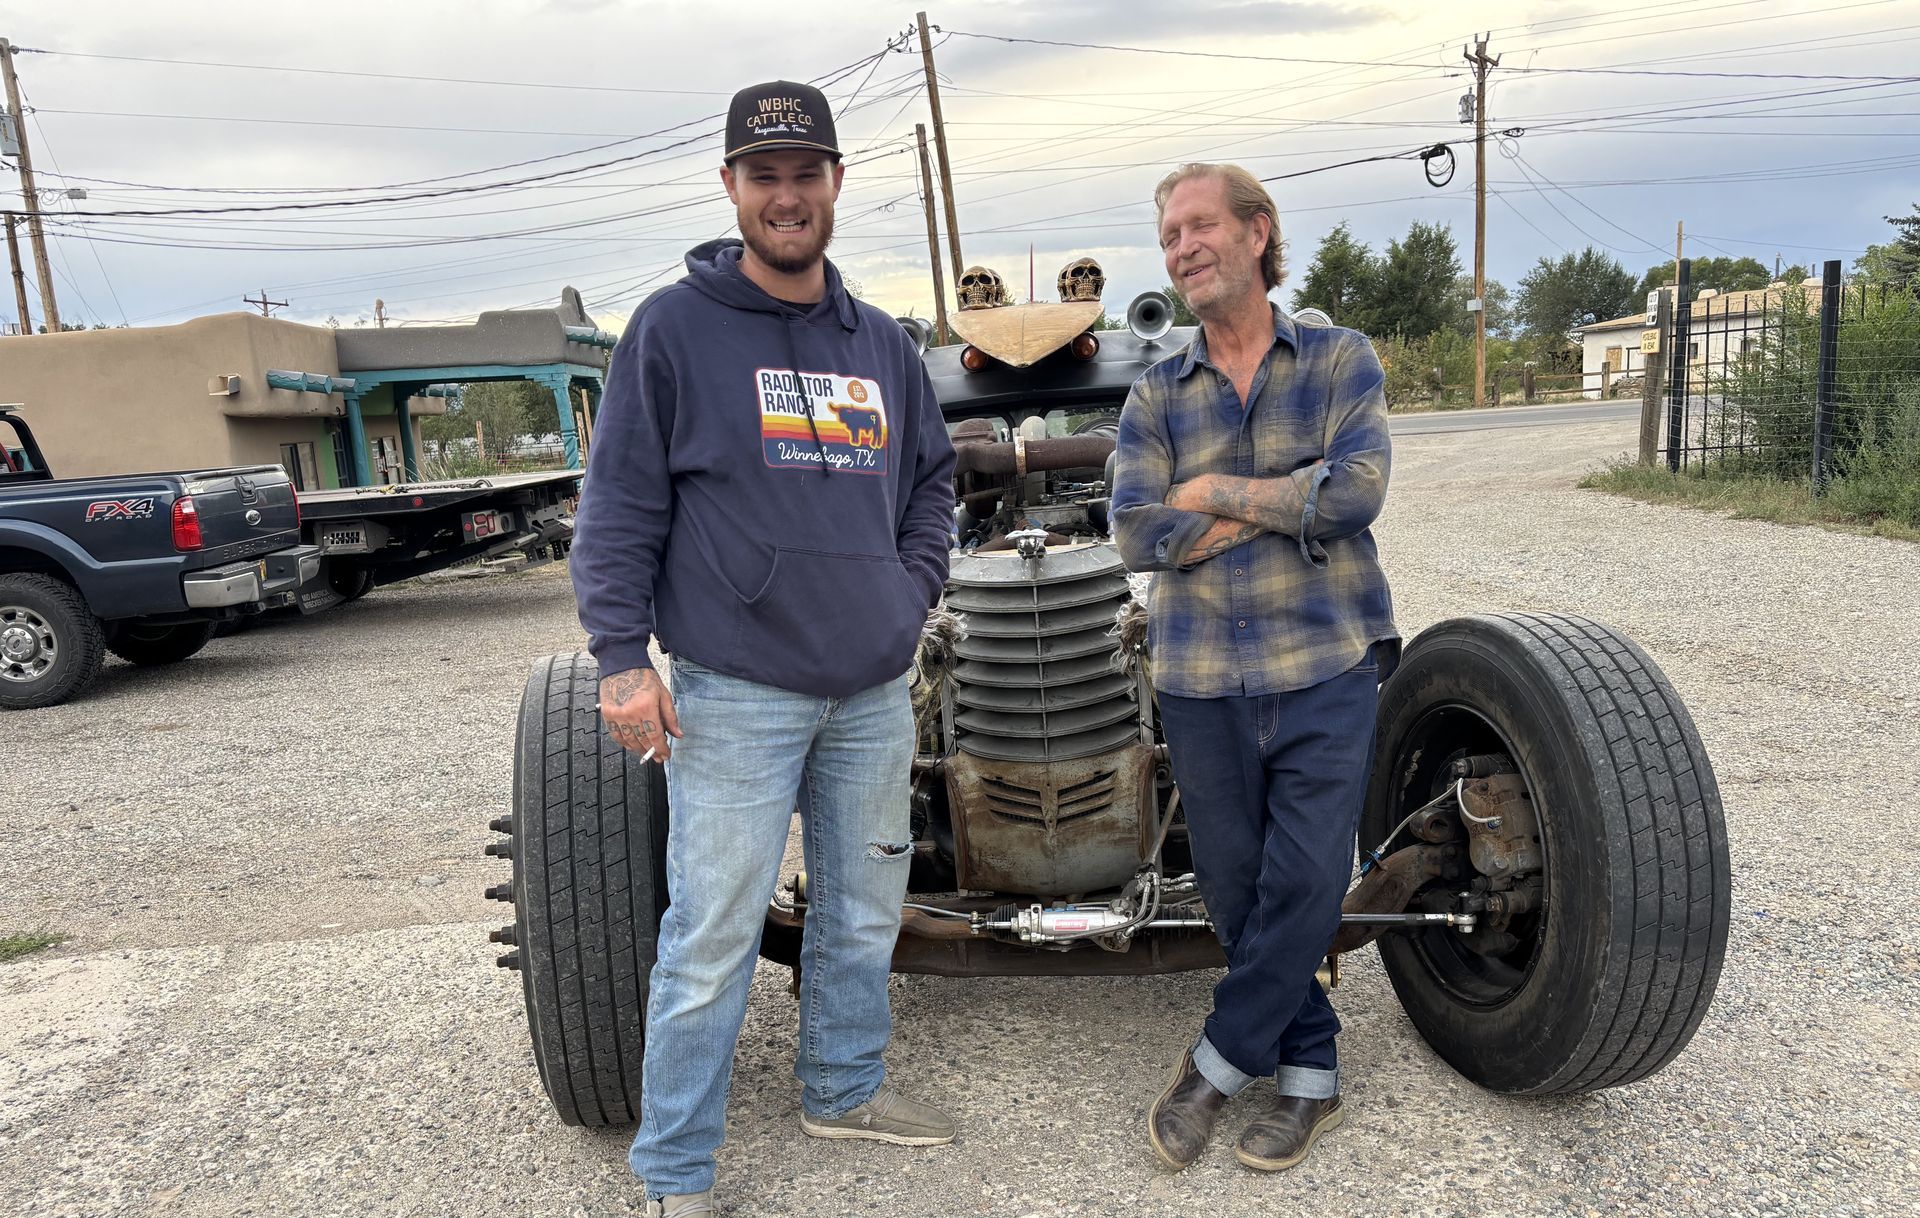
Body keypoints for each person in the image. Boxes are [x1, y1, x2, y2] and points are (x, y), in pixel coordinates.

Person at [570, 79, 959, 1218]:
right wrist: (620, 659)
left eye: (805, 174)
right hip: (735, 692)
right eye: (764, 176)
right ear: (732, 187)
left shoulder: (880, 343)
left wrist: (907, 595)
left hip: (872, 691)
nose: (786, 197)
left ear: (835, 182)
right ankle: (675, 1172)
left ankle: (842, 1088)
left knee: (863, 912)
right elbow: (619, 505)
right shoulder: (672, 331)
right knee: (712, 935)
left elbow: (931, 485)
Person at [1110, 162, 1398, 1174]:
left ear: (1258, 231)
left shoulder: (1338, 359)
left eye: (1200, 226)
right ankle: (1311, 1070)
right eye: (1169, 236)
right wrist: (1285, 502)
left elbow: (1354, 494)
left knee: (1310, 876)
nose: (1182, 248)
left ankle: (1216, 1066)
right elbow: (1135, 530)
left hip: (1324, 662)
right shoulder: (1155, 393)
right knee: (1236, 889)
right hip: (1200, 679)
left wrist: (1212, 492)